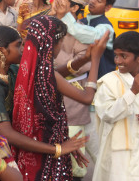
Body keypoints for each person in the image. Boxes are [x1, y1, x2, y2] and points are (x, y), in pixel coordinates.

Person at [12, 15, 110, 180]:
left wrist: (84, 58)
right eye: (62, 42)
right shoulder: (48, 73)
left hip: (38, 147)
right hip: (51, 150)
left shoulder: (27, 68)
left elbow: (56, 76)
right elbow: (87, 97)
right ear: (53, 44)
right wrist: (96, 59)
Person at [53, 0, 92, 180]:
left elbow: (83, 64)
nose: (56, 2)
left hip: (72, 96)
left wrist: (56, 68)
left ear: (75, 7)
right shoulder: (48, 22)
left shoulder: (80, 31)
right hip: (50, 94)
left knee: (75, 158)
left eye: (63, 0)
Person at [93, 31, 139, 181]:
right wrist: (132, 92)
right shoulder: (109, 82)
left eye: (124, 56)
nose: (118, 61)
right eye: (116, 55)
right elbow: (107, 114)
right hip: (118, 156)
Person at [58, 0, 117, 79]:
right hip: (81, 76)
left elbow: (84, 34)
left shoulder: (106, 28)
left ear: (108, 8)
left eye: (99, 1)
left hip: (100, 78)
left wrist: (63, 14)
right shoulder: (83, 21)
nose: (93, 2)